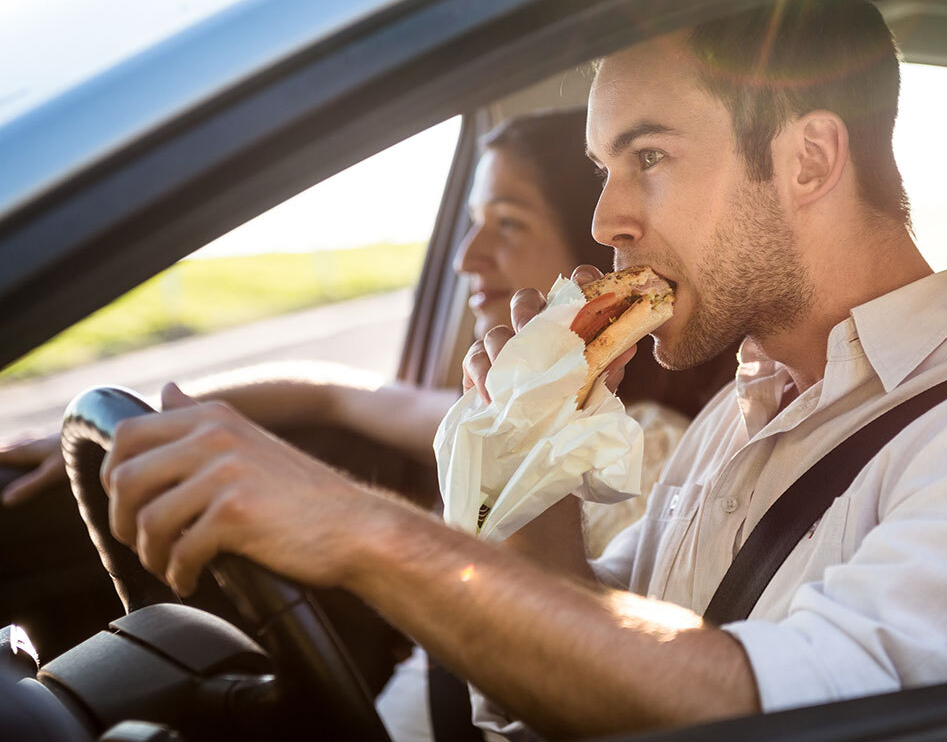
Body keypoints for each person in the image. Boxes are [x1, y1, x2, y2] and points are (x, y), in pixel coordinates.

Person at [84, 0, 947, 739]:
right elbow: (589, 662)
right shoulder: (749, 409)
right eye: (603, 165)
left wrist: (360, 529)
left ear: (809, 158)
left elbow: (750, 709)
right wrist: (529, 459)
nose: (608, 216)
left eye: (649, 157)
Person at [0, 109, 729, 559]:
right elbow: (334, 394)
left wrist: (346, 528)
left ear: (590, 247)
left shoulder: (651, 451)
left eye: (507, 224)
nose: (467, 258)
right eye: (472, 224)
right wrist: (145, 419)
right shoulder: (501, 417)